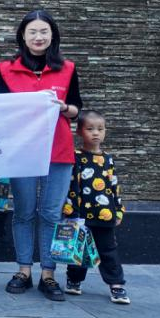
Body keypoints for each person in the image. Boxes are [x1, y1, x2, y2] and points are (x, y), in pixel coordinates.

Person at [0, 9, 82, 301]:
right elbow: (0, 110)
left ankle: (48, 274)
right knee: (24, 212)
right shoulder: (6, 69)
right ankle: (23, 270)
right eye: (32, 31)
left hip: (58, 150)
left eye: (44, 31)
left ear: (52, 35)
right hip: (22, 150)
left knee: (51, 213)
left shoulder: (67, 68)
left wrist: (63, 108)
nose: (38, 37)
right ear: (22, 35)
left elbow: (76, 109)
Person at [63, 110, 129, 304]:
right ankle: (74, 280)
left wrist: (118, 210)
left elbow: (114, 186)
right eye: (90, 129)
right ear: (79, 132)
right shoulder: (75, 157)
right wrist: (69, 210)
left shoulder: (108, 159)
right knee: (78, 249)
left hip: (104, 214)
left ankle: (116, 284)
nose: (95, 133)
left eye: (100, 129)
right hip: (81, 214)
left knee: (108, 250)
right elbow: (71, 185)